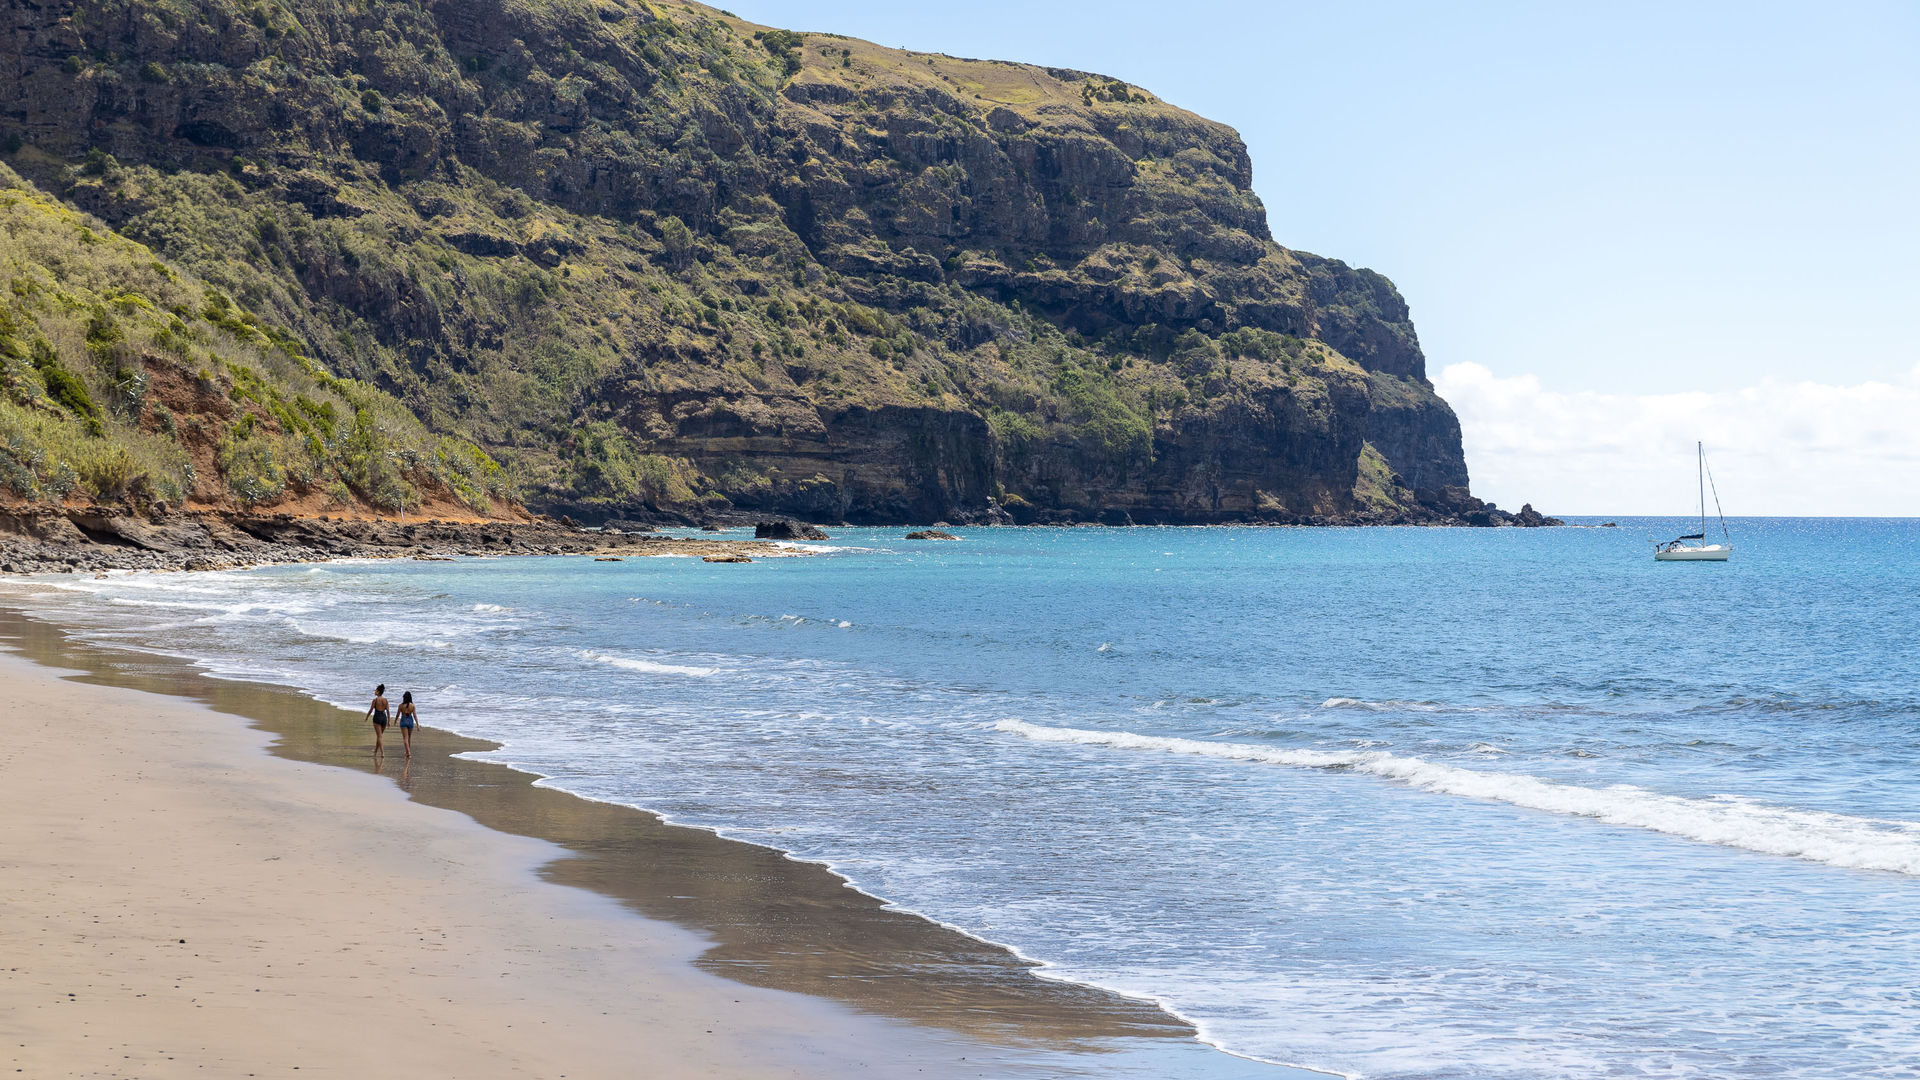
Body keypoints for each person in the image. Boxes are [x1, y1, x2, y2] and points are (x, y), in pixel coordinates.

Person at [366, 684, 390, 754]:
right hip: (384, 717)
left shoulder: (375, 700)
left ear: (378, 692)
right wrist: (388, 721)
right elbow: (388, 711)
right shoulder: (385, 700)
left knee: (379, 736)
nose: (374, 692)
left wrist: (367, 717)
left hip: (377, 717)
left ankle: (382, 753)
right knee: (379, 736)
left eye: (376, 690)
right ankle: (376, 750)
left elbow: (371, 710)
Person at [396, 691, 419, 758]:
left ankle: (408, 752)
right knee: (409, 737)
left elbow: (397, 714)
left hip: (403, 720)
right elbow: (415, 715)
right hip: (410, 720)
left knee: (405, 738)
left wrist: (395, 720)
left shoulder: (400, 705)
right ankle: (407, 751)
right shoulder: (412, 705)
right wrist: (417, 724)